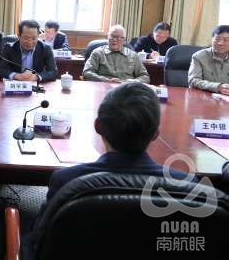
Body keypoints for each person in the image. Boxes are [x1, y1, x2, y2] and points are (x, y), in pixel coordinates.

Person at [22, 82, 196, 259]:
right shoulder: (187, 186)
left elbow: (38, 241)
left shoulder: (67, 180)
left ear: (98, 126)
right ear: (155, 134)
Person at [83, 25, 150, 83]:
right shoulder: (98, 53)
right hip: (103, 85)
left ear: (124, 40)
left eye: (118, 37)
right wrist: (106, 80)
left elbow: (145, 77)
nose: (114, 40)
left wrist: (128, 82)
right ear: (108, 37)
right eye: (112, 36)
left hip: (126, 88)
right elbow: (87, 72)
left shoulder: (133, 55)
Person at [188, 24, 229, 95]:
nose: (220, 43)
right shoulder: (199, 56)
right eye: (217, 39)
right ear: (212, 39)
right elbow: (193, 80)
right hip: (205, 97)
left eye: (225, 40)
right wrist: (218, 87)